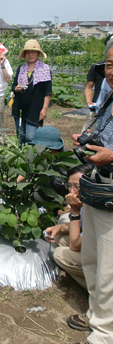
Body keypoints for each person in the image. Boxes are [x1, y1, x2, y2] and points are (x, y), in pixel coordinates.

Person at [67, 39, 113, 344]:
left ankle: (104, 334)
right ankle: (97, 316)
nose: (111, 71)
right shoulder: (109, 98)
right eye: (109, 64)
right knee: (94, 259)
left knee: (109, 267)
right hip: (100, 188)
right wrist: (88, 138)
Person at [44, 164, 93, 290]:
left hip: (104, 258)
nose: (72, 191)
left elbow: (75, 245)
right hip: (92, 246)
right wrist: (59, 228)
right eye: (69, 186)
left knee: (60, 255)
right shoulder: (87, 202)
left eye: (77, 186)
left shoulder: (96, 208)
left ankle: (97, 290)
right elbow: (81, 226)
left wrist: (75, 211)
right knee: (58, 237)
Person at [12, 39, 52, 145]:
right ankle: (21, 159)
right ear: (25, 54)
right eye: (28, 52)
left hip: (35, 108)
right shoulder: (21, 69)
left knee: (30, 137)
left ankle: (31, 158)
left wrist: (44, 109)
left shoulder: (45, 69)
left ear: (38, 53)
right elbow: (13, 86)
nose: (31, 54)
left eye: (33, 52)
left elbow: (47, 92)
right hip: (20, 107)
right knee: (21, 136)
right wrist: (16, 89)